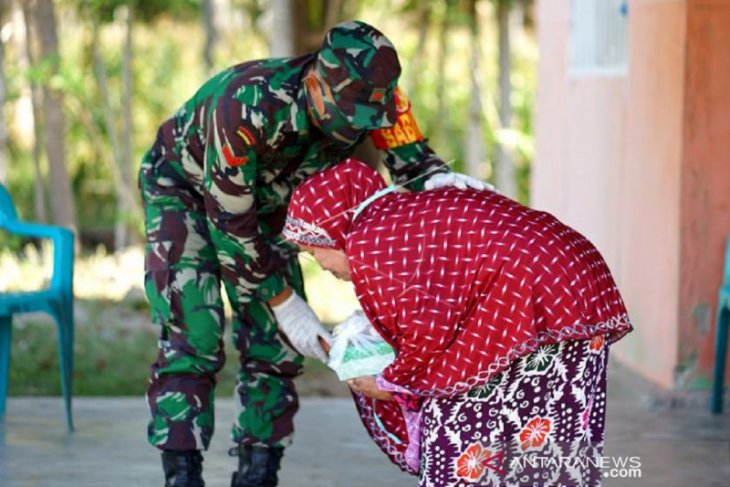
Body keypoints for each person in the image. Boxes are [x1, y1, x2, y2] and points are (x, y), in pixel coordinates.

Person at [138, 20, 489, 487]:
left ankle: (258, 474)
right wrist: (283, 301)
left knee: (275, 345)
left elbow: (408, 154)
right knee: (195, 336)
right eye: (353, 119)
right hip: (184, 191)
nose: (358, 132)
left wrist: (437, 179)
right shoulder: (246, 105)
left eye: (369, 118)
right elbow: (229, 226)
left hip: (264, 205)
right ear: (317, 87)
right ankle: (182, 476)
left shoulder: (374, 92)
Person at [282, 158, 634, 487]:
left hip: (542, 292)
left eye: (313, 251)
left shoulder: (371, 241)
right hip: (572, 284)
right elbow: (444, 313)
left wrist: (389, 383)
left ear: (332, 229)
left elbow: (428, 341)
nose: (321, 264)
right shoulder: (398, 221)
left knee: (459, 437)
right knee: (543, 444)